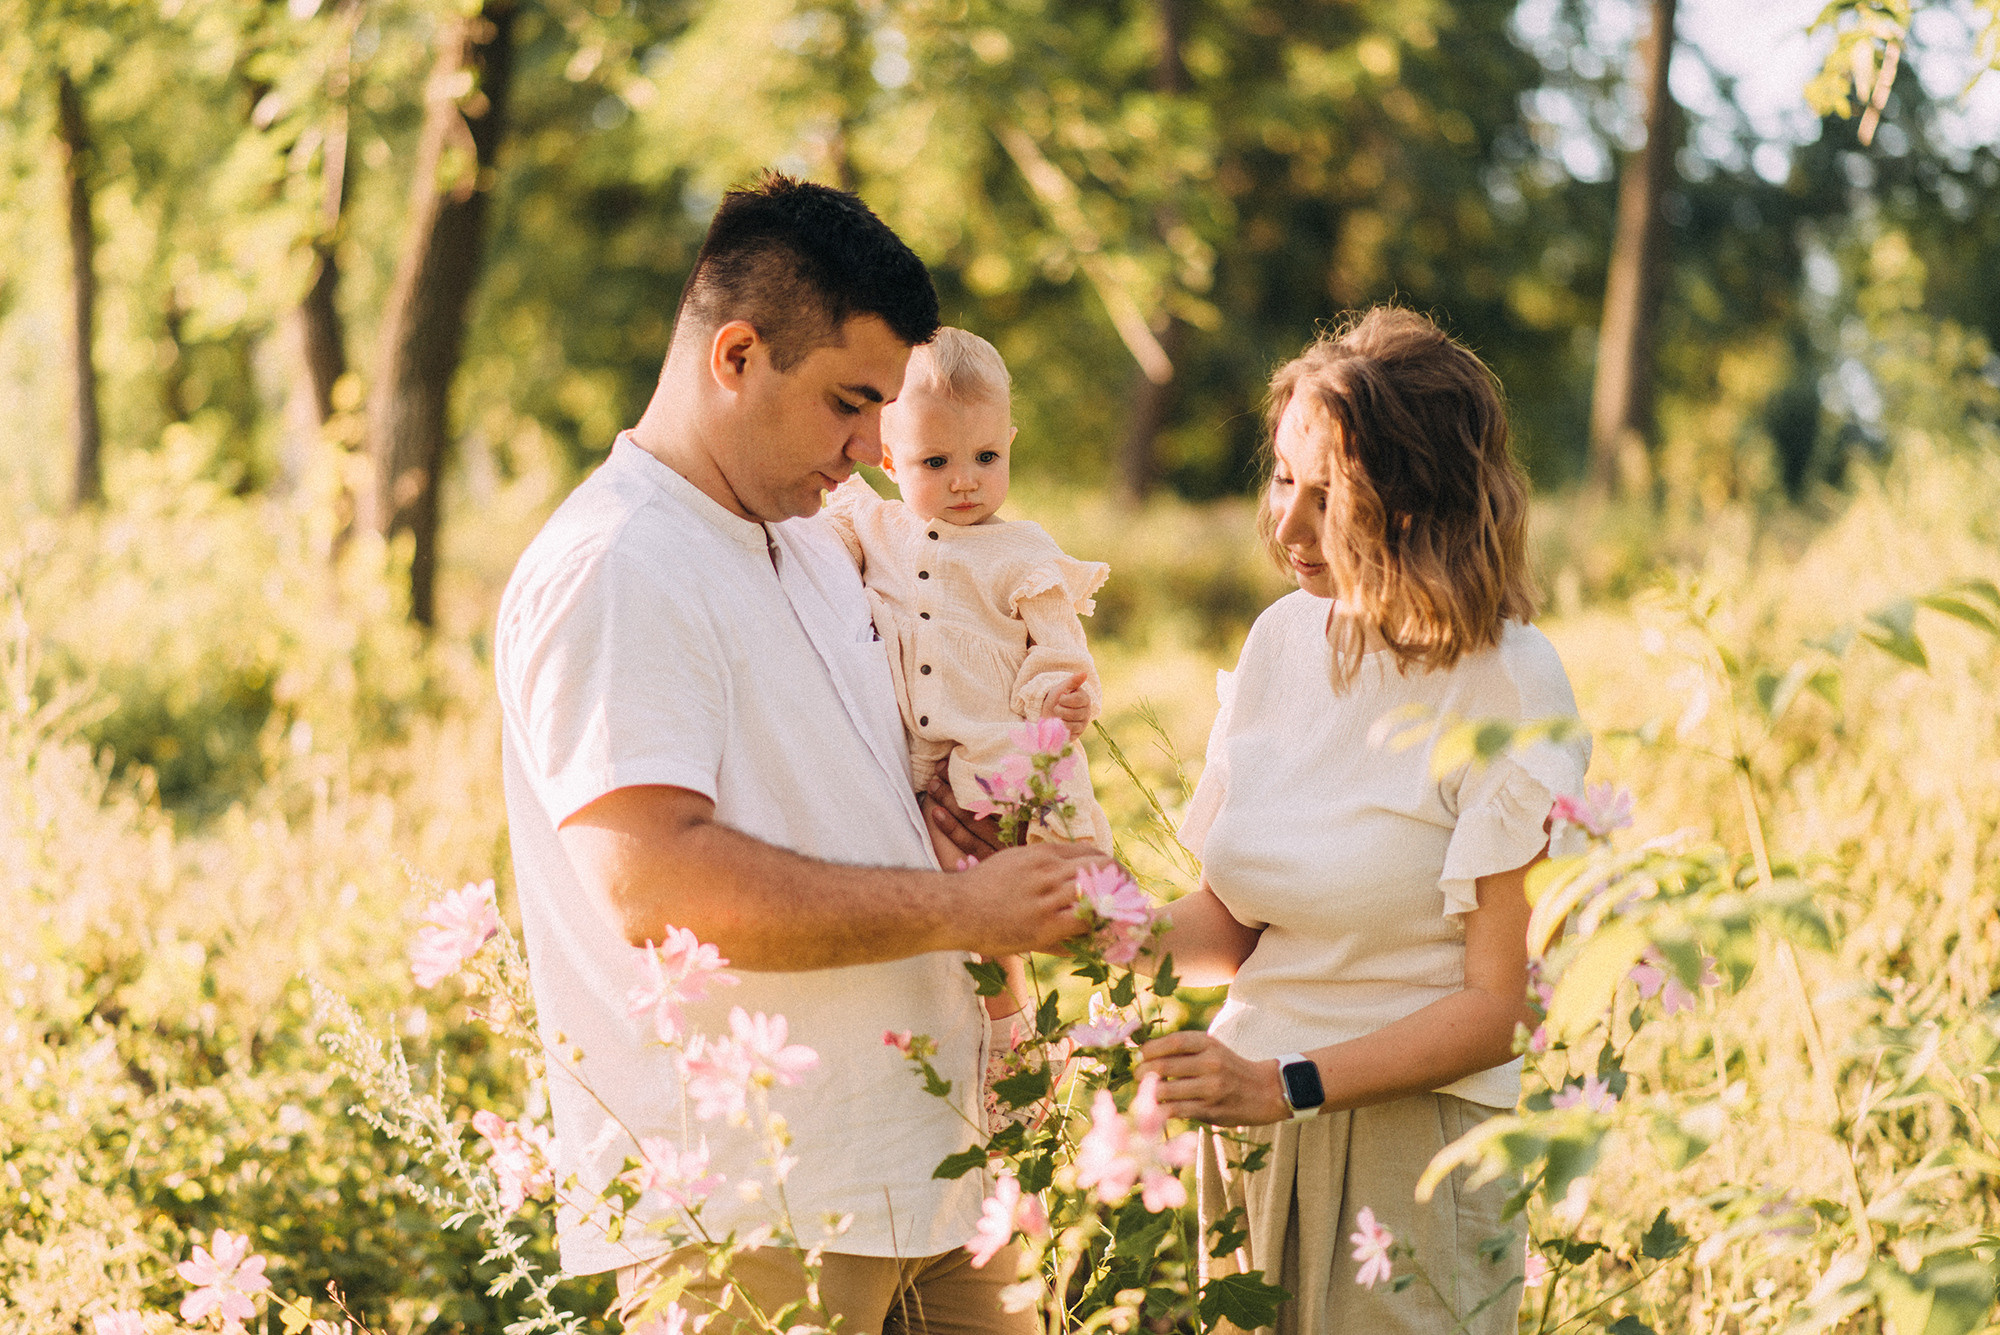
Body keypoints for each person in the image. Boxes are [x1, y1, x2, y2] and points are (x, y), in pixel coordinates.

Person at [494, 173, 1101, 1334]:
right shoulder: (618, 564)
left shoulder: (822, 546)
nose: (878, 448)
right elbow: (656, 886)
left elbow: (870, 799)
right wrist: (961, 910)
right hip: (753, 1210)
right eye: (849, 403)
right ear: (734, 356)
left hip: (936, 1172)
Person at [1135, 307, 1590, 1335]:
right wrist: (1087, 921)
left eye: (1329, 496)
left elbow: (1498, 1008)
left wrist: (1284, 1084)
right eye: (1281, 480)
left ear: (1416, 500)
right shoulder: (1278, 642)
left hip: (1410, 1152)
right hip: (1250, 1132)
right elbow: (1232, 925)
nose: (1285, 526)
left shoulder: (1507, 683)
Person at [821, 325, 1116, 855]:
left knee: (1048, 866)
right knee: (941, 886)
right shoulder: (878, 527)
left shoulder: (1025, 554)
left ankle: (1092, 913)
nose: (965, 481)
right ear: (889, 461)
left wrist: (1060, 700)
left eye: (985, 457)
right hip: (912, 770)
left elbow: (1059, 649)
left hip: (1000, 748)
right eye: (936, 463)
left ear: (1009, 445)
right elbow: (816, 542)